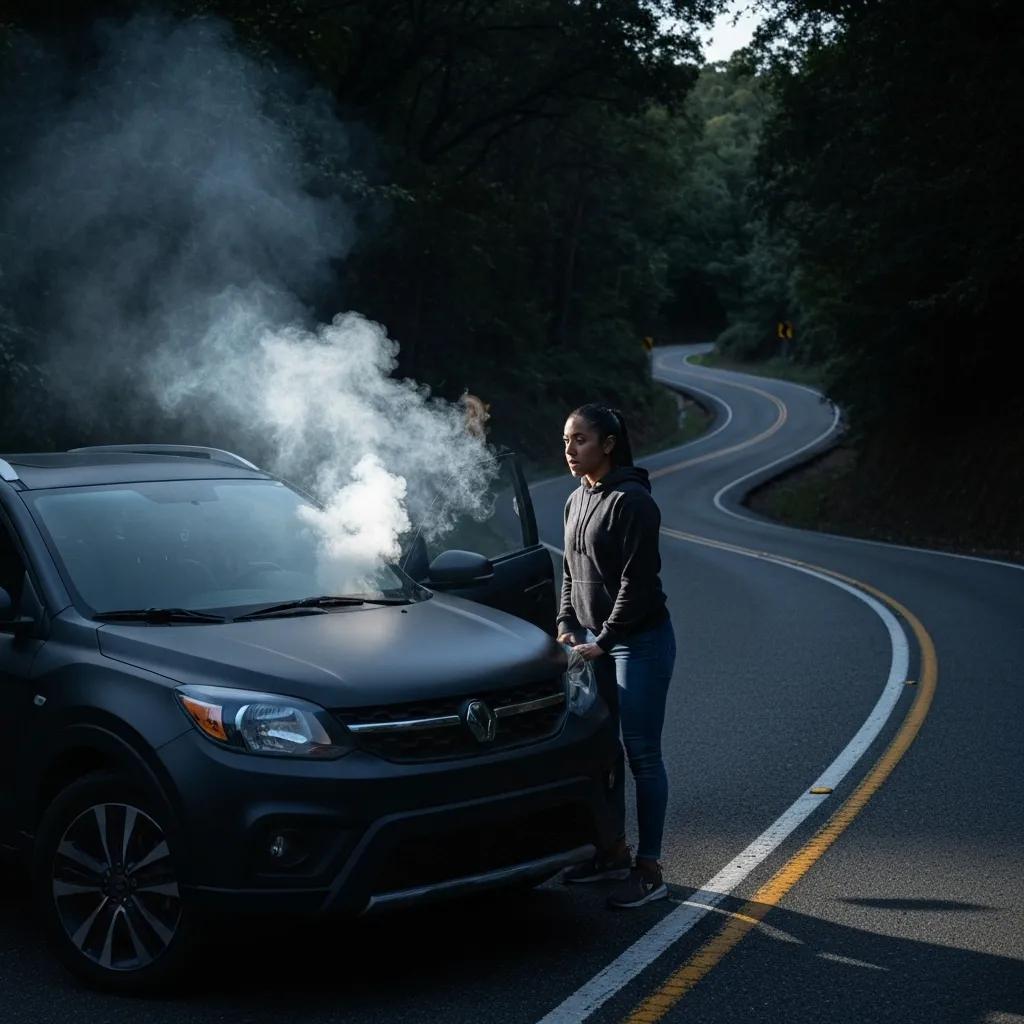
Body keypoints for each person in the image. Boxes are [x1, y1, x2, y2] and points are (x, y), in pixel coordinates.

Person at [556, 404, 676, 909]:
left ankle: (649, 870)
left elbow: (638, 584)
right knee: (599, 753)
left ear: (608, 444)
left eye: (579, 440)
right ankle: (612, 853)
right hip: (592, 641)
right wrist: (565, 623)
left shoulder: (633, 502)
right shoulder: (575, 499)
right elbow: (568, 569)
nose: (569, 449)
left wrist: (604, 639)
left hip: (637, 642)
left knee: (640, 753)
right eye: (565, 440)